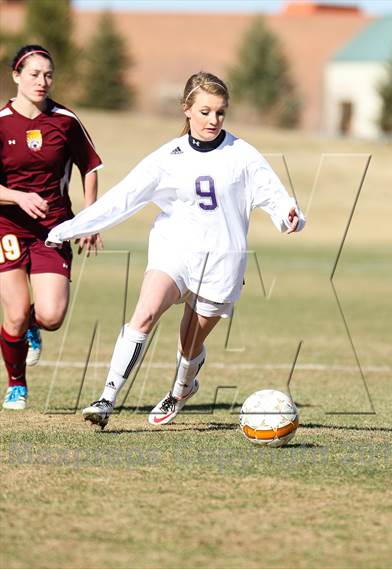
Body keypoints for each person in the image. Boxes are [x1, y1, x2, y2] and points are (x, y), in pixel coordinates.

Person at [46, 71, 305, 429]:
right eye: (204, 111)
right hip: (175, 252)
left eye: (220, 112)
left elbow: (275, 196)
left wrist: (290, 216)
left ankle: (182, 389)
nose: (212, 120)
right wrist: (69, 229)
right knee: (145, 313)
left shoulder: (242, 155)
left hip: (222, 262)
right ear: (186, 110)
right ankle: (106, 398)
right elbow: (121, 200)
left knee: (189, 345)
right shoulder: (167, 158)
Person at [0, 45, 103, 410]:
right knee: (13, 311)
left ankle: (32, 328)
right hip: (6, 228)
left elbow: (89, 166)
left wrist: (91, 218)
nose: (42, 81)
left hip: (54, 230)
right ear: (16, 75)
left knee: (51, 316)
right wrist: (16, 196)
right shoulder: (1, 122)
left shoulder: (65, 120)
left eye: (48, 75)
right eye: (34, 74)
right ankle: (16, 385)